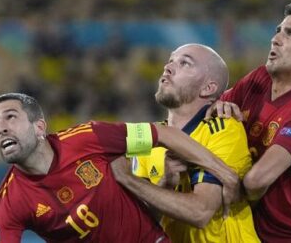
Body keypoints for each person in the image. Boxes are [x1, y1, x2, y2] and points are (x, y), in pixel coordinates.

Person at [0, 92, 241, 243]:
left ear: (39, 127)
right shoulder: (10, 202)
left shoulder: (90, 138)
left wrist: (224, 173)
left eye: (10, 117)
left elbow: (163, 134)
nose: (1, 128)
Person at [111, 44, 260, 242]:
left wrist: (128, 178)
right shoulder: (147, 140)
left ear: (208, 88)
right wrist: (164, 186)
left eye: (185, 63)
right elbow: (140, 225)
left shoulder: (222, 128)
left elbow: (200, 212)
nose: (168, 67)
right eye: (171, 60)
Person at [208, 1, 291, 242]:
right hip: (249, 233)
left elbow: (256, 182)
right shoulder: (259, 78)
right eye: (278, 31)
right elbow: (211, 112)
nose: (276, 39)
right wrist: (216, 107)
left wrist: (209, 185)